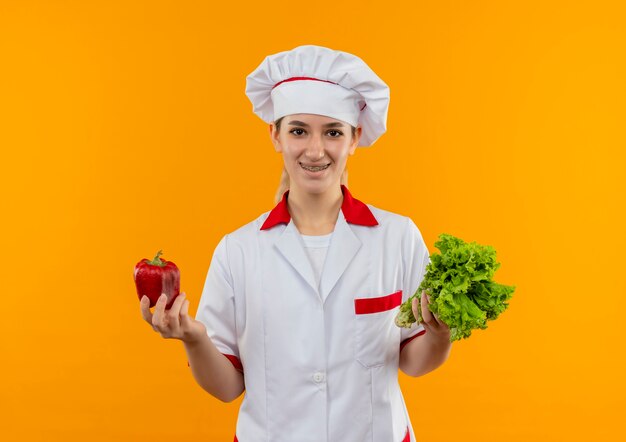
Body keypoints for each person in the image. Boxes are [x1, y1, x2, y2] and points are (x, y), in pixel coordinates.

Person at [140, 45, 452, 442]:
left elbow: (413, 361)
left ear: (355, 138)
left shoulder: (397, 238)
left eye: (333, 132)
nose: (315, 150)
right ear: (275, 134)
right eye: (299, 130)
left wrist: (440, 335)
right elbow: (227, 387)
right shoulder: (238, 251)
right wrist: (194, 338)